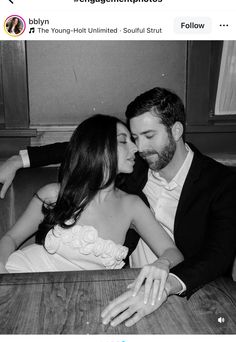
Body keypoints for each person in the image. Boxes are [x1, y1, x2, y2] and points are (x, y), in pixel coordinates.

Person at [1, 87, 236, 326]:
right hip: (116, 284)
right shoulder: (135, 166)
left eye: (149, 135)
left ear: (176, 131)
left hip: (184, 284)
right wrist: (19, 159)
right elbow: (87, 146)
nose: (140, 147)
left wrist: (168, 277)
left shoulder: (220, 183)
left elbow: (218, 254)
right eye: (134, 138)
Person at [0, 114, 183, 307]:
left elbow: (173, 253)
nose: (135, 148)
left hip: (82, 301)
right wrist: (3, 276)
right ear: (100, 148)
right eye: (123, 141)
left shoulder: (133, 205)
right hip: (22, 281)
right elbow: (10, 239)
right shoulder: (54, 194)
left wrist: (162, 264)